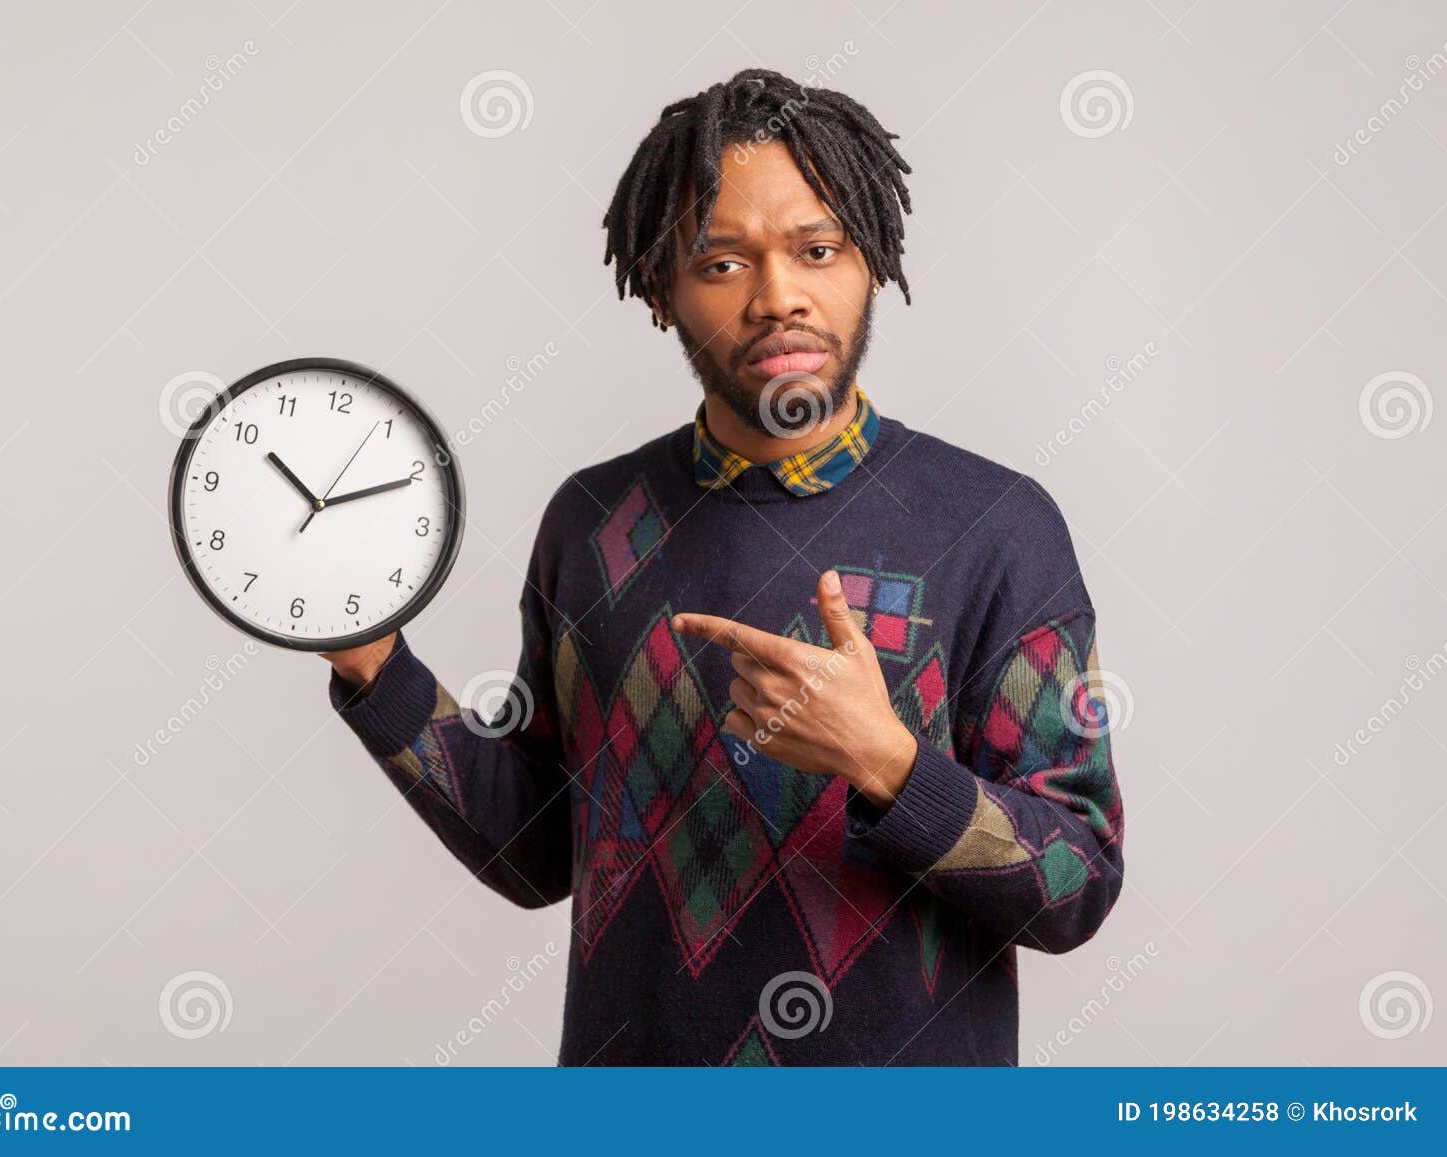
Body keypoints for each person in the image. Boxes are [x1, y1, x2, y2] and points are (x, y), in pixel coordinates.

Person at [322, 68, 1125, 1065]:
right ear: (660, 290)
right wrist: (371, 661)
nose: (777, 297)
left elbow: (1076, 882)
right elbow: (533, 851)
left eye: (817, 249)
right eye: (721, 263)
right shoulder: (593, 523)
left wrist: (888, 763)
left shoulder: (997, 525)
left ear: (870, 259)